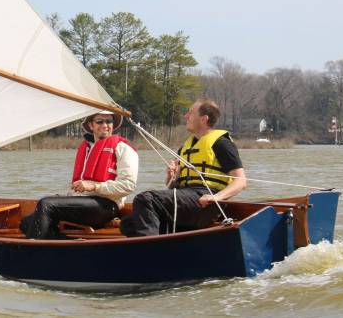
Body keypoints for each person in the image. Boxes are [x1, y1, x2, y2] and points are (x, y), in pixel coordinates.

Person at [121, 98, 246, 237]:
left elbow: (240, 181)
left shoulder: (222, 144)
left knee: (145, 199)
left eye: (190, 113)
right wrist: (172, 178)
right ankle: (171, 244)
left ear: (204, 119)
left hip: (205, 202)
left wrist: (216, 197)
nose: (186, 116)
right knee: (128, 224)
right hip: (187, 201)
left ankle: (152, 250)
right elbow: (172, 187)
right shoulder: (185, 148)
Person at [20, 111, 138, 239]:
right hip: (83, 206)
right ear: (91, 125)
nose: (105, 125)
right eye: (100, 121)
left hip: (105, 207)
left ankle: (35, 251)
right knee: (26, 223)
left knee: (46, 204)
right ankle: (71, 243)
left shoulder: (123, 149)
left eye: (109, 121)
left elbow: (128, 186)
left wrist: (95, 186)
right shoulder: (87, 148)